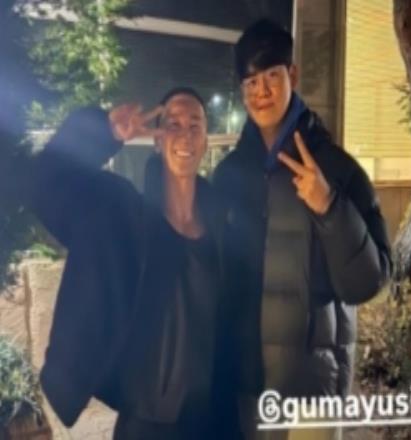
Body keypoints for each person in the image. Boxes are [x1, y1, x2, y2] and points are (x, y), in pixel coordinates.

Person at [1, 88, 239, 439]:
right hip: (142, 423)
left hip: (208, 422)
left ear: (206, 140)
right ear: (157, 140)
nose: (185, 135)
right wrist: (104, 133)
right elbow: (44, 184)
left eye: (195, 125)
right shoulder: (123, 214)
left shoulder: (223, 231)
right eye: (172, 124)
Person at [212, 19, 392, 440]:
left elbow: (368, 282)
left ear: (292, 75)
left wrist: (329, 207)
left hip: (311, 387)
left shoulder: (337, 169)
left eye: (271, 76)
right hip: (247, 384)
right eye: (250, 82)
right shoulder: (230, 175)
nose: (261, 92)